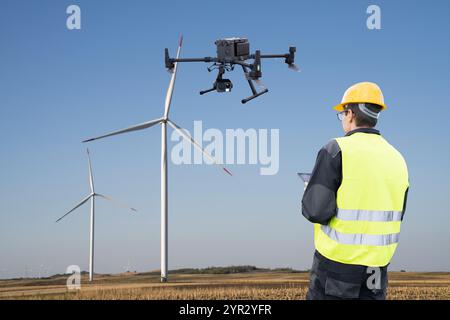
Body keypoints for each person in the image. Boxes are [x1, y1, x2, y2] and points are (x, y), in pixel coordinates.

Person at [302, 82, 409, 300]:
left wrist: (310, 189)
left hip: (337, 265)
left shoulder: (336, 149)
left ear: (350, 113)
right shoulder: (398, 158)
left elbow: (316, 211)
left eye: (342, 114)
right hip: (377, 267)